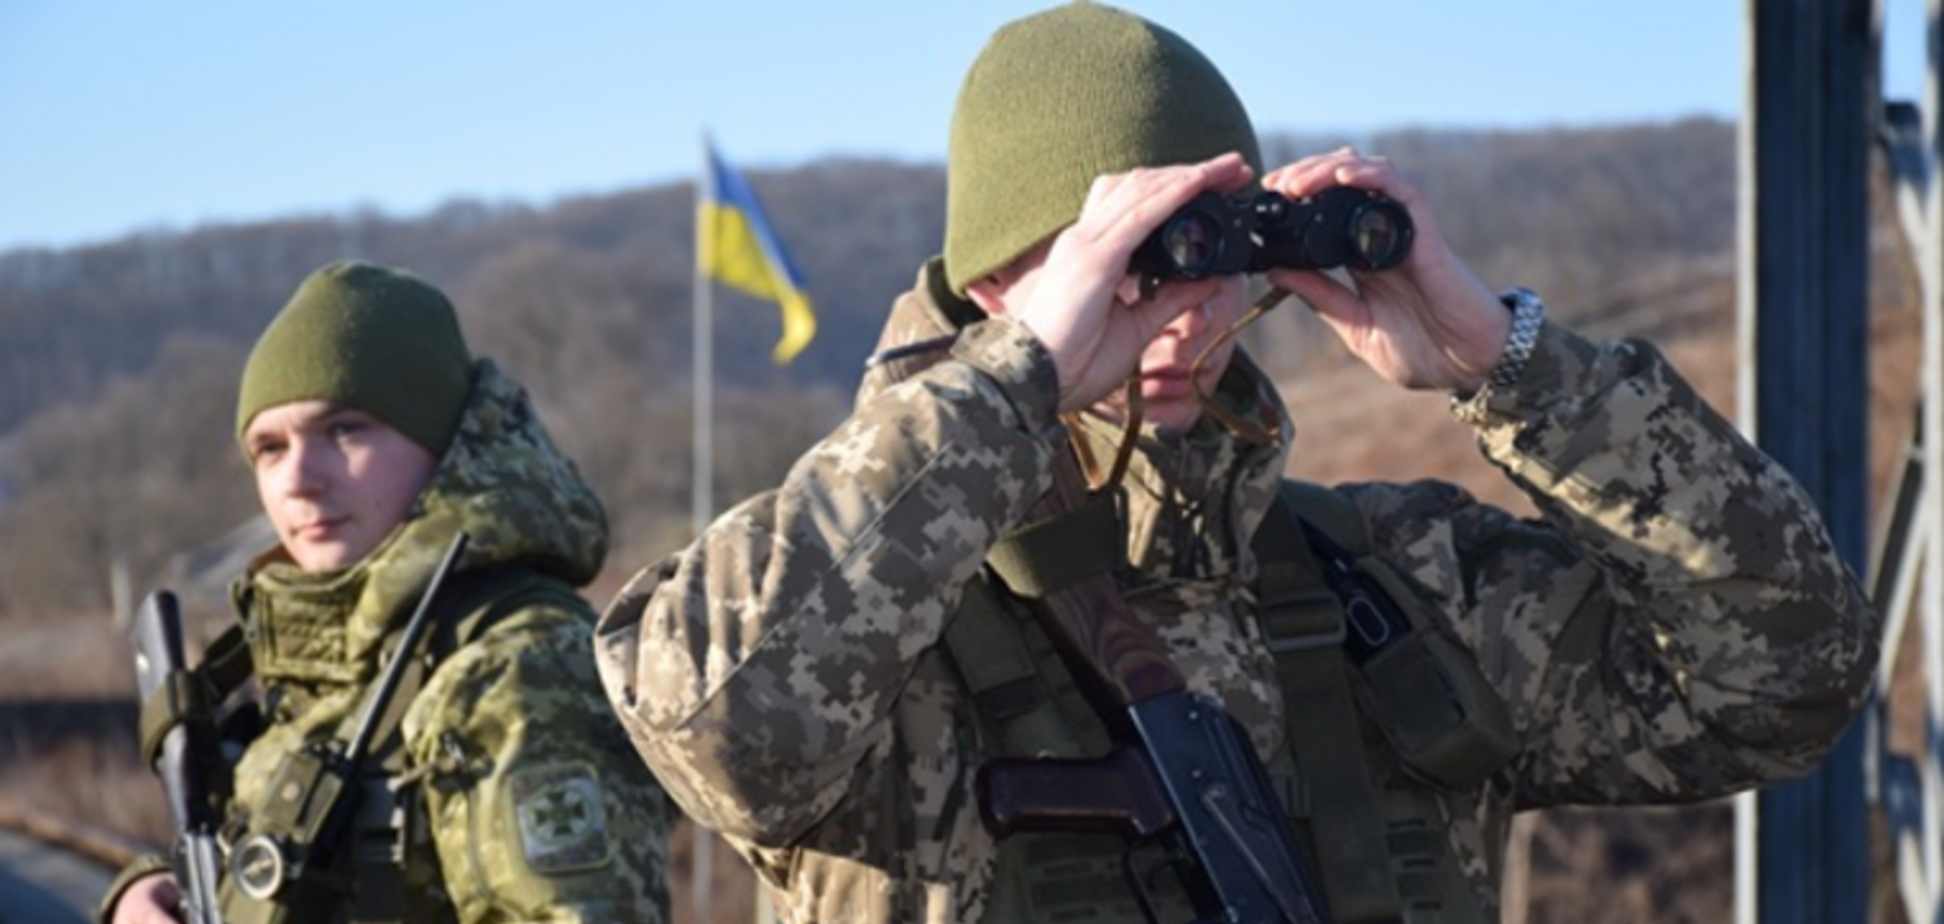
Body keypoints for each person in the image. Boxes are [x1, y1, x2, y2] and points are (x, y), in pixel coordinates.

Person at [593, 4, 1881, 923]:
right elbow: (714, 727)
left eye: (1208, 262)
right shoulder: (858, 612)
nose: (1183, 315)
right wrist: (1013, 380)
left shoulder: (1397, 581)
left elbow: (1786, 677)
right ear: (994, 282)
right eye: (1132, 264)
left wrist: (1509, 363)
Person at [102, 260, 670, 924]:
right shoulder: (331, 662)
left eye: (345, 429)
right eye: (269, 448)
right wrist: (148, 895)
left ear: (443, 445)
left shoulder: (514, 667)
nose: (299, 480)